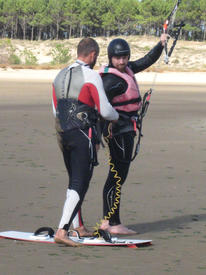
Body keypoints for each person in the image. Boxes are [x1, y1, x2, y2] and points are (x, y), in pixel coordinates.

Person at [52, 37, 119, 246]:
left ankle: (78, 226)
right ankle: (62, 230)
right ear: (92, 55)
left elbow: (55, 109)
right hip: (83, 134)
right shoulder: (91, 75)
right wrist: (118, 116)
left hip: (62, 133)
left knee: (74, 180)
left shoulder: (59, 75)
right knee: (80, 182)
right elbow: (105, 110)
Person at [99, 34, 168, 235]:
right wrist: (97, 138)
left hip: (127, 130)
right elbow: (99, 110)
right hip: (118, 133)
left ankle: (107, 221)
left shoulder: (127, 69)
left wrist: (161, 44)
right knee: (117, 177)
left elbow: (146, 60)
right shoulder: (110, 80)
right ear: (110, 58)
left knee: (117, 176)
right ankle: (114, 223)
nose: (122, 61)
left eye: (125, 57)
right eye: (117, 58)